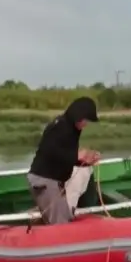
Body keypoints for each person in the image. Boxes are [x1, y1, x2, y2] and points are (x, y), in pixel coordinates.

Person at [27, 96, 101, 224]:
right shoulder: (60, 126)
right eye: (85, 120)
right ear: (77, 115)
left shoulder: (71, 129)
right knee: (61, 223)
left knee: (65, 218)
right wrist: (77, 155)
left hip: (54, 182)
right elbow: (49, 151)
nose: (86, 124)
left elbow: (66, 157)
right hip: (45, 181)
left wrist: (85, 161)